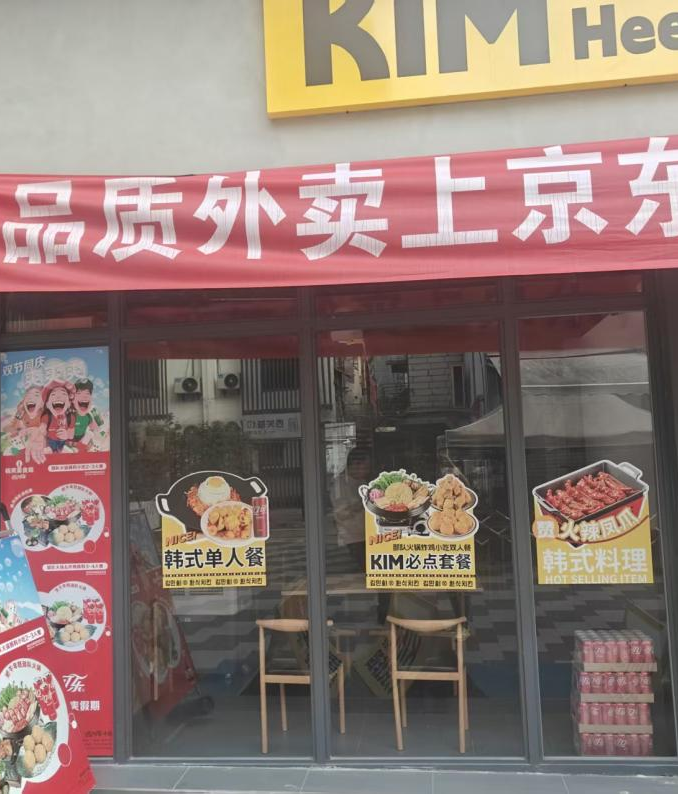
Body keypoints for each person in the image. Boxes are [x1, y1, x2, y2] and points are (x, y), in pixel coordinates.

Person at [332, 448, 372, 569]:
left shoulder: (361, 481)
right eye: (365, 467)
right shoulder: (340, 484)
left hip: (366, 533)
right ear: (355, 465)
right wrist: (364, 502)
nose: (367, 471)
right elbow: (341, 513)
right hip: (352, 537)